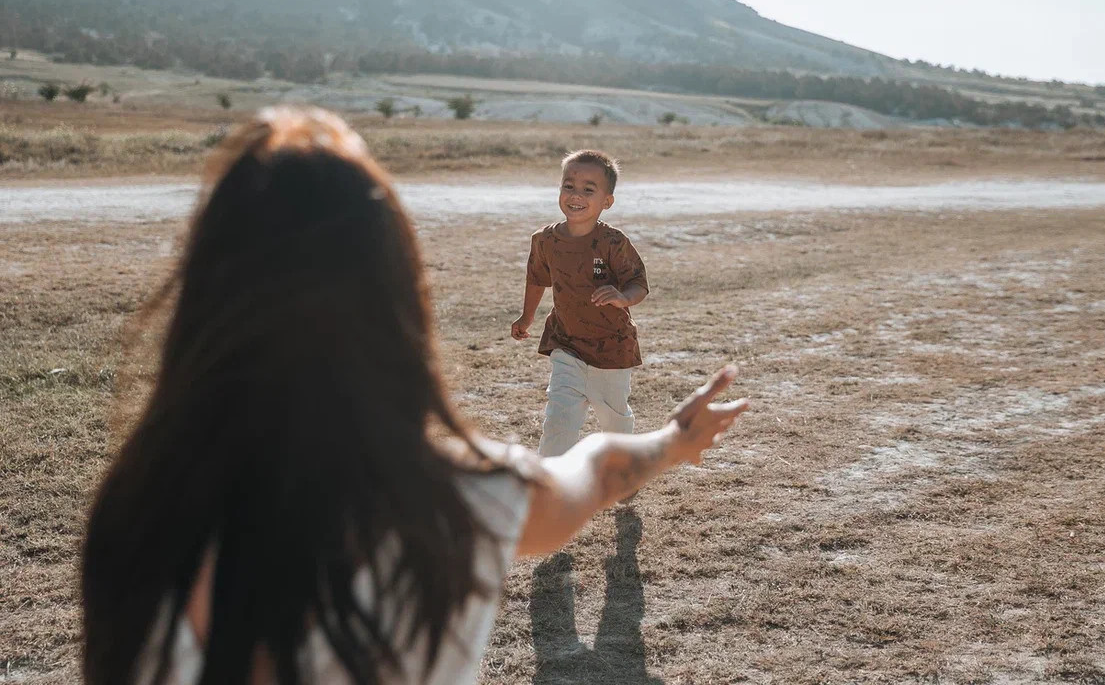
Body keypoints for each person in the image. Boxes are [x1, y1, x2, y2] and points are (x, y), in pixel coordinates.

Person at [81, 107, 749, 685]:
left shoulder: (134, 511)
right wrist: (674, 441)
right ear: (395, 298)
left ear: (201, 292)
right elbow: (597, 469)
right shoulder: (459, 502)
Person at [511, 150, 649, 457]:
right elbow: (537, 279)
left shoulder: (613, 242)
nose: (576, 195)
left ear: (607, 201)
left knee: (614, 421)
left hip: (612, 347)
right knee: (559, 419)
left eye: (589, 189)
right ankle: (551, 479)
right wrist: (526, 317)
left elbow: (639, 283)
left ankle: (622, 470)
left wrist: (623, 297)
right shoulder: (545, 240)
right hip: (567, 344)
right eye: (569, 186)